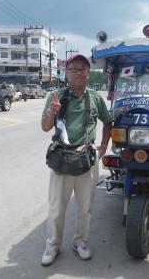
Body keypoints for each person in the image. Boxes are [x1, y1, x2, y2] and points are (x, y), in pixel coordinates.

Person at [40, 54, 112, 266]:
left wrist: (104, 145)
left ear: (88, 73)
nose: (78, 72)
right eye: (74, 69)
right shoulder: (56, 96)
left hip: (86, 160)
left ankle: (81, 242)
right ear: (67, 73)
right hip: (62, 159)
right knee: (56, 209)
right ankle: (52, 246)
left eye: (83, 69)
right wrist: (52, 113)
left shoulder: (95, 98)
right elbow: (45, 127)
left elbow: (108, 123)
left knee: (85, 209)